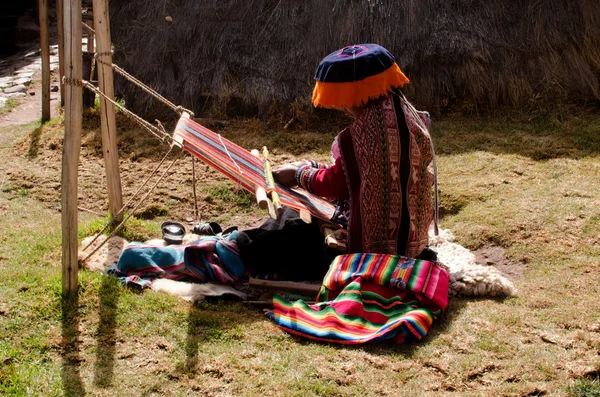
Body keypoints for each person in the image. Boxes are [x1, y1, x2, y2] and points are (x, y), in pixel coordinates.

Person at [273, 43, 438, 260]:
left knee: (291, 229)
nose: (342, 107)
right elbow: (364, 173)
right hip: (411, 240)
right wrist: (312, 167)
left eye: (343, 98)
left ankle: (233, 249)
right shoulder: (409, 116)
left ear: (358, 93)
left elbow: (337, 184)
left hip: (375, 250)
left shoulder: (365, 132)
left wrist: (298, 174)